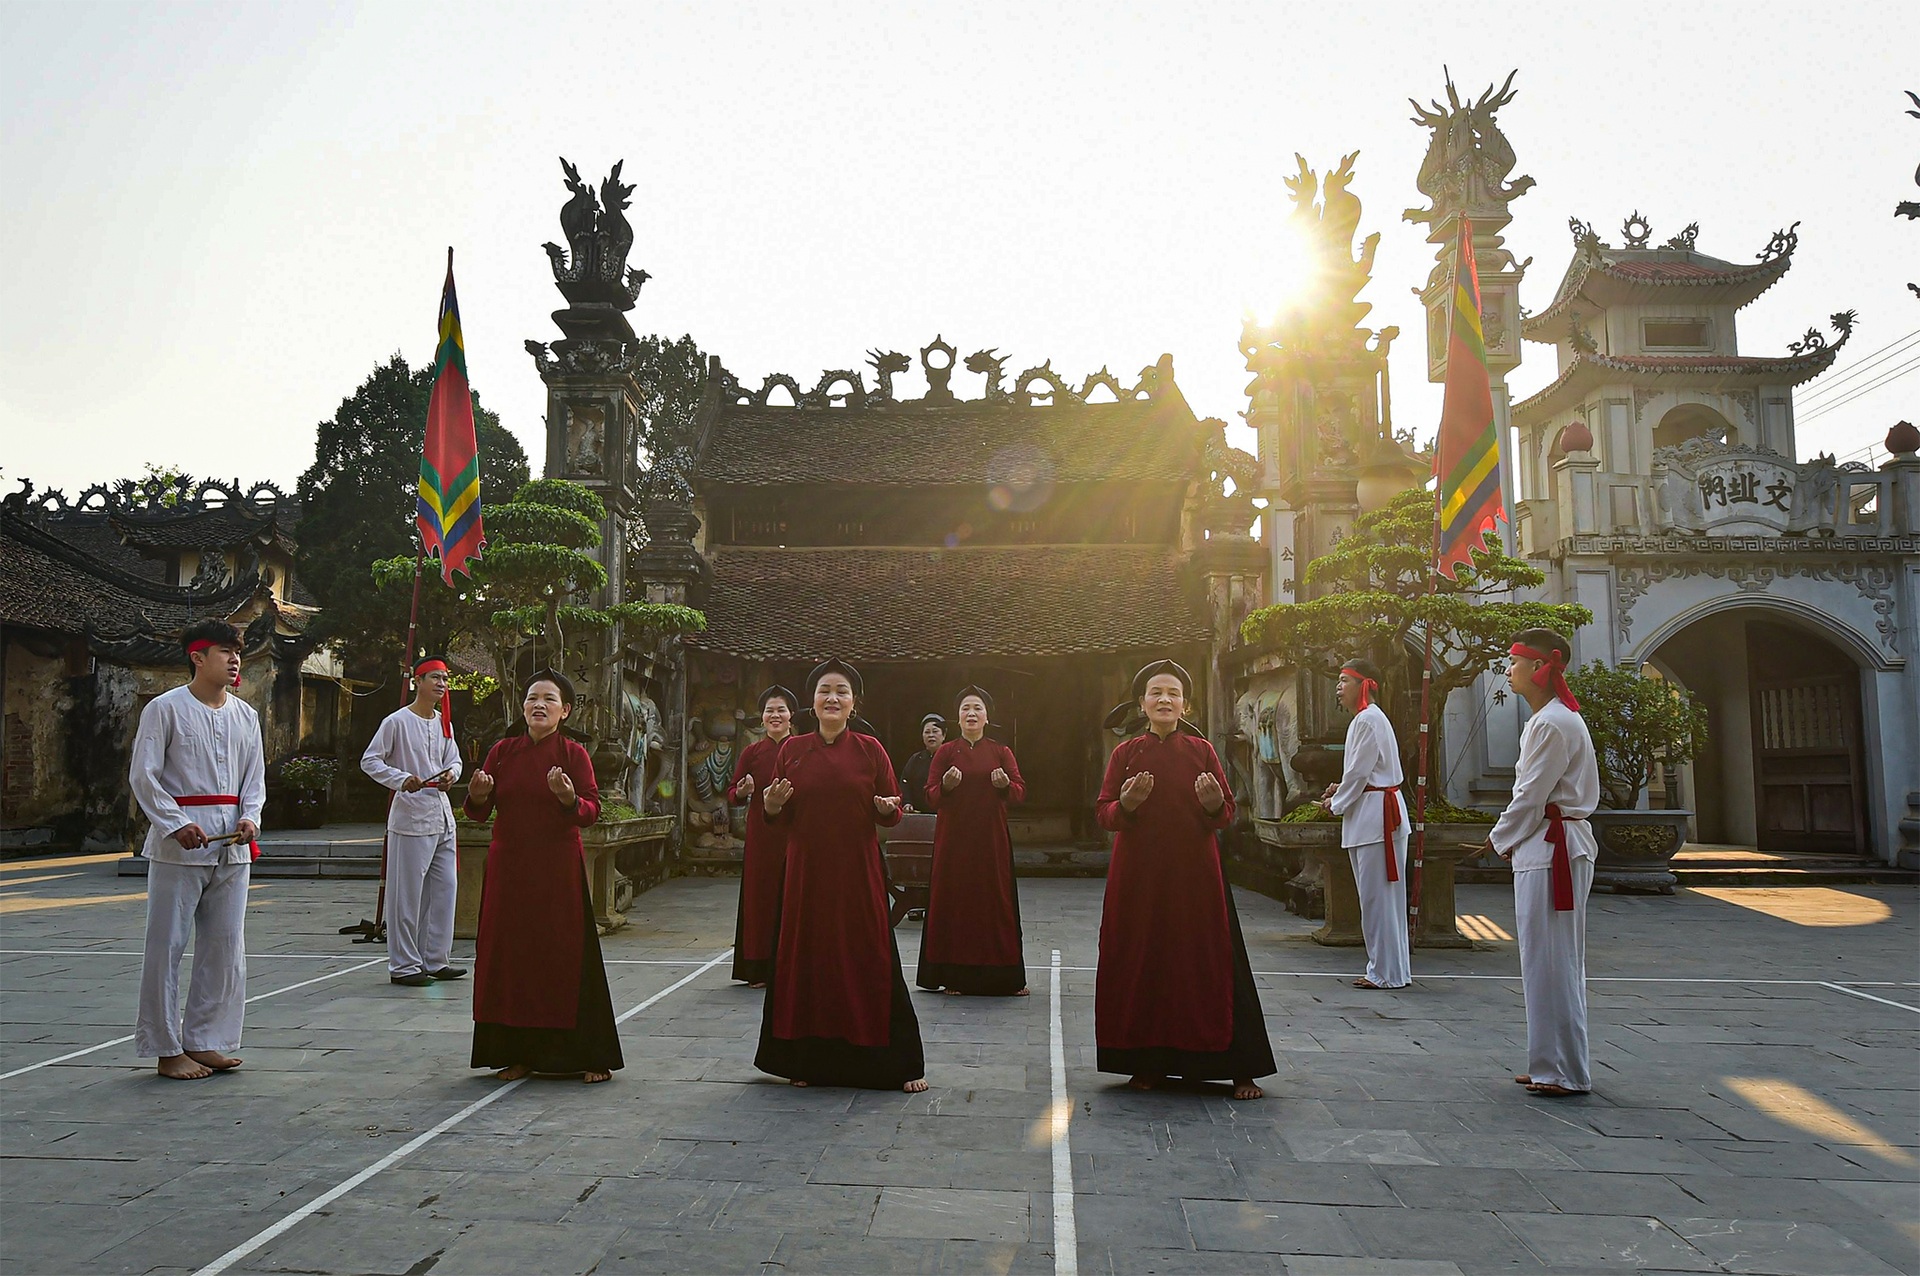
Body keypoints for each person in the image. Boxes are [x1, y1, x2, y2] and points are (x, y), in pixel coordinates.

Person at [1095, 659, 1275, 1100]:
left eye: (1172, 693)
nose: (1164, 699)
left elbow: (1227, 814)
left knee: (1206, 962)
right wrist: (1128, 805)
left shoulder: (1202, 751)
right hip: (1139, 878)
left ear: (1184, 704)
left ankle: (1235, 1067)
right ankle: (1150, 1062)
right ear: (1142, 703)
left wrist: (1215, 805)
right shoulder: (1125, 753)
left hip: (1195, 878)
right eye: (1155, 692)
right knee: (1147, 960)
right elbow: (1104, 814)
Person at [756, 658, 928, 1092]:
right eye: (824, 691)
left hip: (858, 868)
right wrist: (772, 805)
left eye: (842, 692)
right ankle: (806, 1059)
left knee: (867, 952)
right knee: (807, 956)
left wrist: (888, 809)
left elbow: (891, 808)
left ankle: (891, 1063)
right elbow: (776, 814)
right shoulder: (791, 751)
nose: (832, 698)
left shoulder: (871, 749)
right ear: (811, 704)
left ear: (854, 703)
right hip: (806, 871)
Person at [463, 670, 622, 1084]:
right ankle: (517, 1053)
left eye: (549, 700)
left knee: (561, 955)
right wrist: (478, 796)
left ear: (564, 711)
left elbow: (590, 811)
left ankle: (588, 1054)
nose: (539, 705)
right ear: (523, 707)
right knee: (511, 959)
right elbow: (478, 810)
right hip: (510, 867)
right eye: (533, 698)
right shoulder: (502, 751)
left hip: (556, 869)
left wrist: (569, 798)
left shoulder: (573, 755)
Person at [130, 619, 264, 1081]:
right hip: (179, 845)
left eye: (237, 652)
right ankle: (166, 1048)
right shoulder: (165, 709)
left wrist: (251, 818)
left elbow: (255, 781)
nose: (234, 660)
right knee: (166, 944)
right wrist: (174, 823)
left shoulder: (246, 716)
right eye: (224, 651)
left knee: (226, 946)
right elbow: (143, 777)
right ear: (197, 657)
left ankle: (206, 1040)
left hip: (232, 844)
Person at [1487, 628, 1600, 1098]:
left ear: (1540, 668)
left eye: (1514, 663)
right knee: (1544, 959)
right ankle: (1549, 1063)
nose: (1508, 671)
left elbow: (1530, 795)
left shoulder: (1553, 722)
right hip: (1547, 844)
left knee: (1553, 960)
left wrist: (1497, 839)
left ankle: (1565, 1070)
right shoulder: (1551, 719)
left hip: (1553, 846)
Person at [361, 658, 465, 987]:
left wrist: (451, 775)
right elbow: (370, 760)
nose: (441, 683)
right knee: (406, 895)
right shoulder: (396, 722)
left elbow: (455, 759)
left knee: (445, 890)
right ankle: (404, 964)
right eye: (435, 677)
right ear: (417, 681)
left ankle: (435, 958)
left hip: (442, 815)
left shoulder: (443, 722)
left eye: (445, 679)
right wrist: (401, 778)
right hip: (410, 816)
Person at [918, 686, 1029, 996]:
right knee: (956, 902)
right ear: (958, 716)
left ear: (986, 716)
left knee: (995, 902)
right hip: (954, 841)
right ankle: (955, 974)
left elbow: (1020, 793)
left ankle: (1003, 976)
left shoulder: (1000, 751)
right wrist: (947, 786)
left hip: (991, 841)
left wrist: (1006, 785)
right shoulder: (945, 751)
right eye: (966, 708)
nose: (971, 713)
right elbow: (929, 796)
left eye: (977, 708)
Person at [1321, 657, 1410, 990]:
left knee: (1377, 900)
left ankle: (1384, 972)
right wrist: (1340, 789)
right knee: (1385, 899)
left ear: (1365, 684)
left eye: (1345, 680)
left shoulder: (1366, 720)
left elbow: (1359, 773)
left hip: (1376, 817)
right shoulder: (1371, 720)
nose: (1339, 687)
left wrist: (1336, 803)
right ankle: (1393, 970)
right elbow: (1361, 772)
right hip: (1378, 812)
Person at [728, 684, 799, 987]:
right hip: (761, 836)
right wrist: (742, 792)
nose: (775, 715)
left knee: (796, 896)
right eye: (770, 710)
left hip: (796, 833)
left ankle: (794, 964)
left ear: (791, 715)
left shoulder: (802, 748)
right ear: (762, 717)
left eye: (781, 710)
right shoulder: (752, 752)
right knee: (762, 898)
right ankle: (758, 966)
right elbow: (732, 794)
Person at [899, 714, 947, 814]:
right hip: (919, 813)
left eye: (935, 731)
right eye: (927, 732)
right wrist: (907, 802)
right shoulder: (915, 759)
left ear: (944, 735)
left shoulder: (951, 757)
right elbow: (905, 782)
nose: (931, 735)